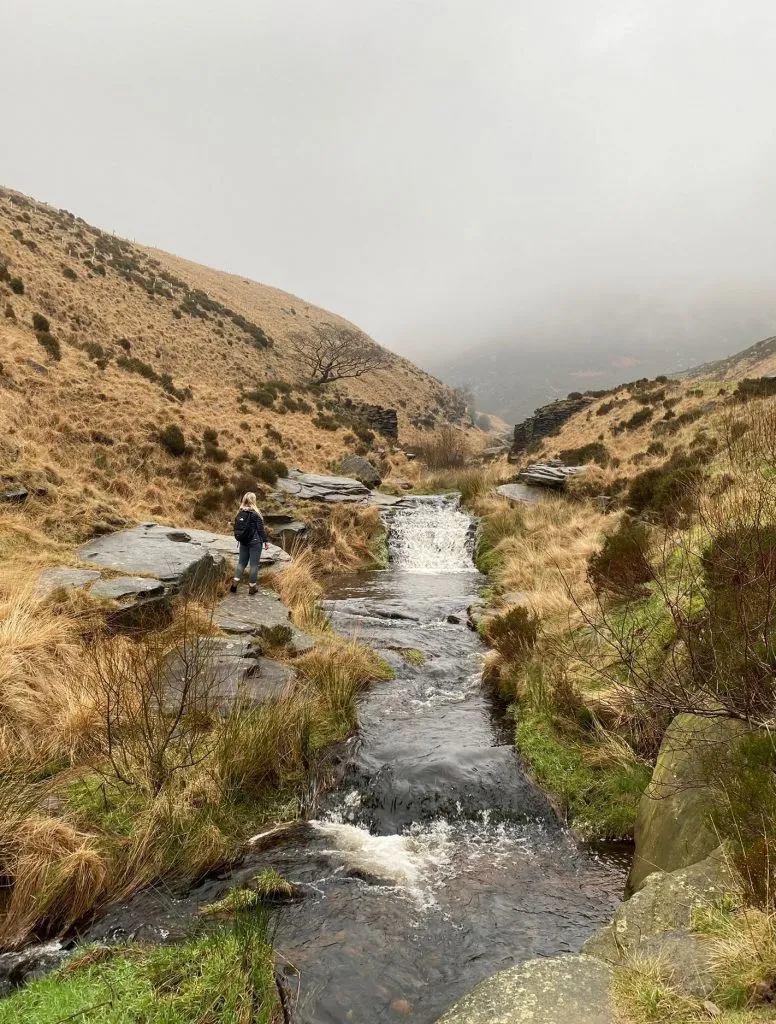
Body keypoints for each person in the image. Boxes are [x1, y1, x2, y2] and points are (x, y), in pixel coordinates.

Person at [231, 492, 268, 595]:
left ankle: (234, 584)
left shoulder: (240, 512)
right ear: (253, 500)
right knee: (254, 565)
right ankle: (252, 588)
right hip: (255, 542)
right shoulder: (256, 514)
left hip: (243, 541)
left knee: (241, 563)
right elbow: (260, 530)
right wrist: (266, 541)